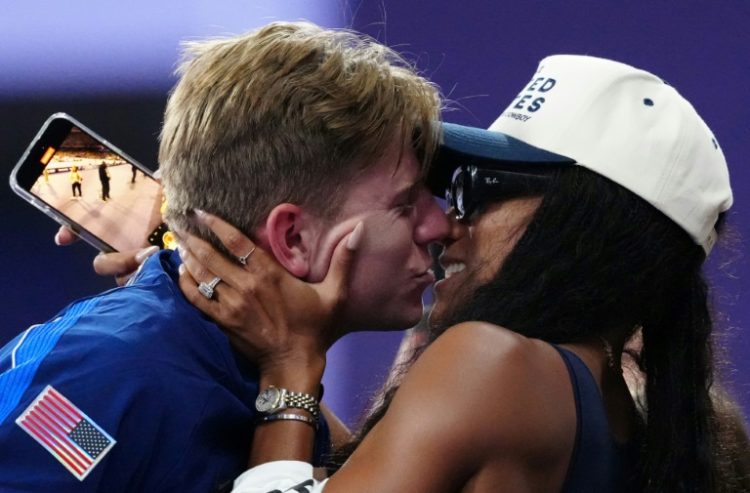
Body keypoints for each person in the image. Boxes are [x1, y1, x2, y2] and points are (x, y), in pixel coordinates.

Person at [177, 55, 740, 492]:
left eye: (478, 191)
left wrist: (289, 363)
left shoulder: (495, 364)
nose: (448, 224)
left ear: (581, 228)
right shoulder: (622, 413)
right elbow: (363, 473)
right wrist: (234, 315)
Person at [0, 22, 449, 492]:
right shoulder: (99, 374)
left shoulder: (281, 386)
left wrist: (291, 370)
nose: (437, 225)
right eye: (404, 204)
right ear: (293, 238)